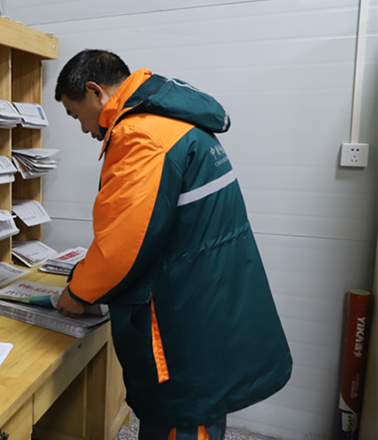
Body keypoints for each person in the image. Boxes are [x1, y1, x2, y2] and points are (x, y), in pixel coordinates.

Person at [53, 49, 292, 440]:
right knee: (200, 414)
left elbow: (124, 246)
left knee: (184, 421)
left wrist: (78, 291)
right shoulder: (175, 122)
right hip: (206, 298)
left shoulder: (140, 134)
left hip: (184, 317)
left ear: (96, 92)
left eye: (74, 113)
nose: (82, 128)